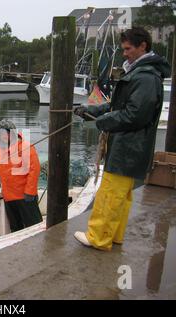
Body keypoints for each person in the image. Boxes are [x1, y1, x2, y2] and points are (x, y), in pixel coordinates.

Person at [73, 27, 171, 251]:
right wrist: (94, 110)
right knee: (122, 196)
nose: (124, 53)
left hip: (128, 148)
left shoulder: (145, 77)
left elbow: (134, 114)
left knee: (109, 193)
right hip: (132, 148)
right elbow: (119, 106)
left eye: (128, 49)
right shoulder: (140, 73)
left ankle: (98, 237)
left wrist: (102, 122)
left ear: (142, 46)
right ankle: (114, 235)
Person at [0, 119, 42, 232]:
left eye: (6, 132)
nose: (3, 135)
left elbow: (34, 170)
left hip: (25, 196)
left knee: (34, 226)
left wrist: (30, 192)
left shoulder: (26, 147)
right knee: (15, 227)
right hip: (8, 196)